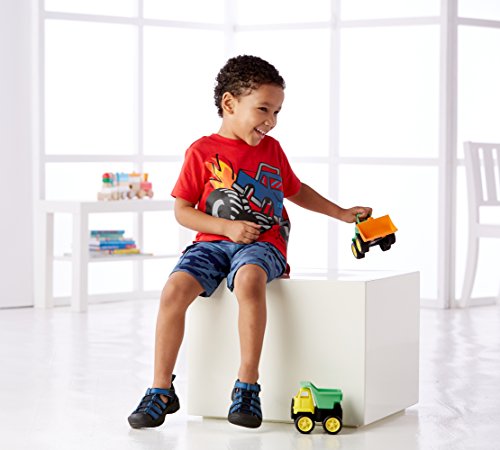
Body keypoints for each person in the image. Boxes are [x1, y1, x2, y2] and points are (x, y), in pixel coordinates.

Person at [128, 55, 372, 430]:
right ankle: (161, 389)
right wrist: (225, 229)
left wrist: (339, 213)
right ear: (229, 103)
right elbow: (183, 211)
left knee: (248, 280)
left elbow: (296, 190)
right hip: (212, 243)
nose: (271, 121)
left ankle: (247, 385)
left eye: (276, 112)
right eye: (263, 109)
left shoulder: (272, 150)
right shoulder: (201, 151)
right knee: (173, 290)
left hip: (264, 242)